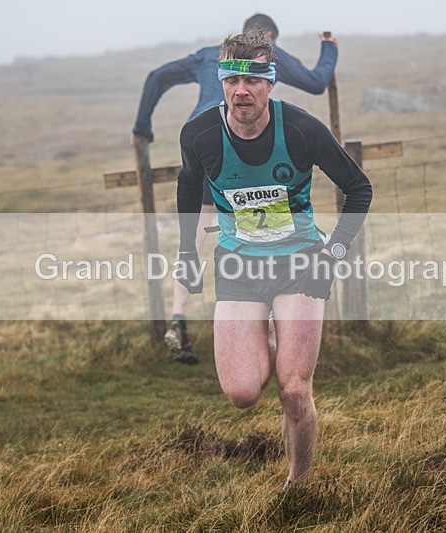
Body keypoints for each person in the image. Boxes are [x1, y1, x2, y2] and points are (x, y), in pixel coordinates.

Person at [174, 29, 372, 489]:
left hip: (301, 263)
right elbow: (187, 186)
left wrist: (334, 251)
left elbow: (359, 188)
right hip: (239, 269)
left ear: (271, 82)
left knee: (293, 389)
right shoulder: (199, 134)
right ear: (222, 81)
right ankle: (272, 334)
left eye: (253, 80)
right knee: (242, 393)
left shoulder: (301, 129)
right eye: (231, 80)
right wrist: (187, 252)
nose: (240, 91)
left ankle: (297, 486)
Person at [131, 13, 339, 364]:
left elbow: (156, 77)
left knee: (194, 238)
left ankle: (179, 318)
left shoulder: (211, 54)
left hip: (204, 151)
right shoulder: (268, 58)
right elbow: (317, 82)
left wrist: (142, 128)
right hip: (241, 159)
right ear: (268, 37)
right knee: (265, 235)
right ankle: (274, 327)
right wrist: (329, 48)